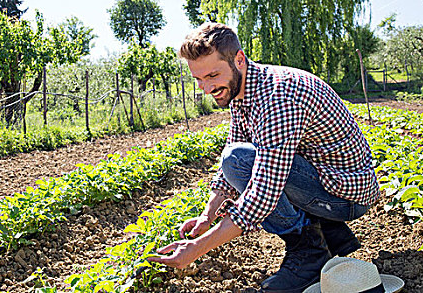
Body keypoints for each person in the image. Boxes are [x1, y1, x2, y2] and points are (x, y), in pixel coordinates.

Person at [147, 23, 380, 293]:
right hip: (321, 182)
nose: (206, 88)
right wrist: (207, 215)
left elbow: (263, 193)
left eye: (212, 75)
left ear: (239, 60)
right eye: (198, 79)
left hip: (344, 197)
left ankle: (309, 253)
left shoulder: (278, 96)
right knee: (235, 158)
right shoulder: (240, 89)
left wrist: (197, 248)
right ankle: (331, 234)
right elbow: (234, 150)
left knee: (239, 161)